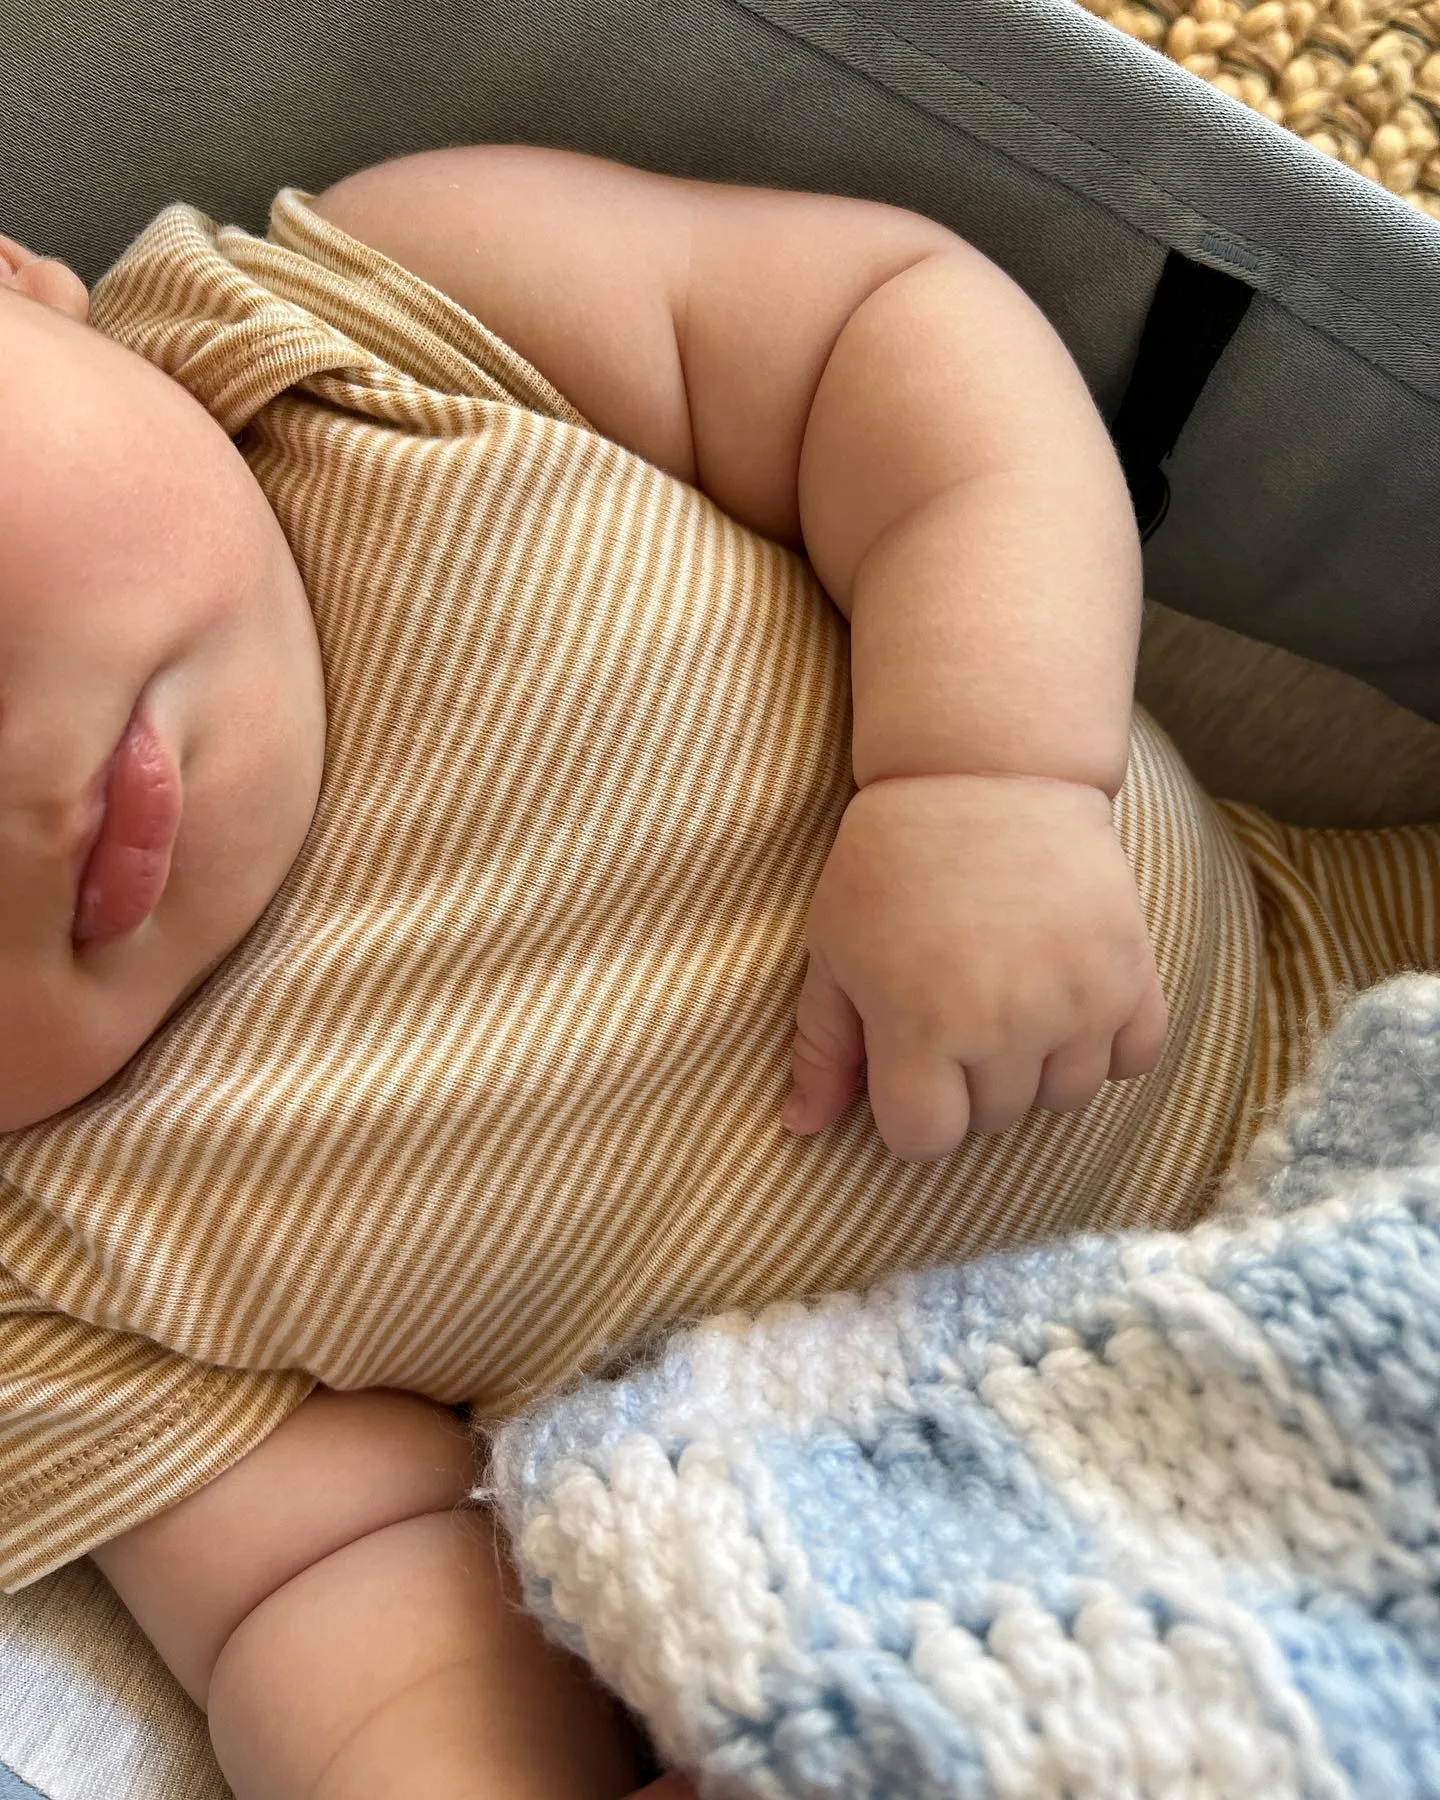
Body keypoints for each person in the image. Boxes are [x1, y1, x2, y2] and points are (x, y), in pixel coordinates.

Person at [0, 144, 1434, 1800]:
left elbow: (888, 336)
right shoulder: (48, 1269)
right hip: (1005, 1543)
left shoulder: (370, 319)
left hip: (1324, 1002)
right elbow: (324, 1589)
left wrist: (984, 770)